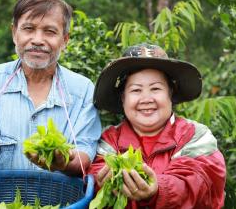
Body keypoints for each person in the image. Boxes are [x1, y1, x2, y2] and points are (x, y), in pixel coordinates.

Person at [0, 0, 101, 176]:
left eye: (50, 31)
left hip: (62, 203)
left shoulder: (82, 90)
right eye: (28, 29)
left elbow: (84, 155)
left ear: (65, 40)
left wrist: (64, 162)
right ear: (14, 34)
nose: (38, 40)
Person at [88, 43, 226, 208]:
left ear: (170, 93)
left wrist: (159, 189)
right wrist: (99, 183)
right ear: (123, 98)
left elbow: (200, 183)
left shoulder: (195, 136)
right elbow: (92, 175)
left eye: (155, 89)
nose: (146, 99)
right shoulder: (110, 141)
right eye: (136, 90)